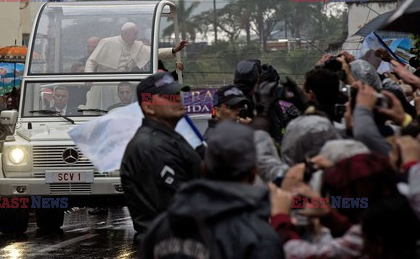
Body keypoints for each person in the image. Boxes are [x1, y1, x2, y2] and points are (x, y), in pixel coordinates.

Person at [140, 121, 284, 259]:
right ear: (254, 171)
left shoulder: (161, 227)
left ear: (204, 168)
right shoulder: (258, 236)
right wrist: (282, 220)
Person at [120, 72, 202, 242]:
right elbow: (178, 204)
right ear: (148, 106)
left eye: (178, 94)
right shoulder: (152, 147)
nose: (178, 99)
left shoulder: (166, 137)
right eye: (169, 96)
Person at [85, 22, 187, 73]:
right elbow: (91, 61)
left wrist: (174, 50)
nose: (136, 37)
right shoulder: (107, 42)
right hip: (104, 84)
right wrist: (89, 77)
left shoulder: (137, 45)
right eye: (134, 34)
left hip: (124, 86)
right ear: (125, 33)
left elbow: (155, 52)